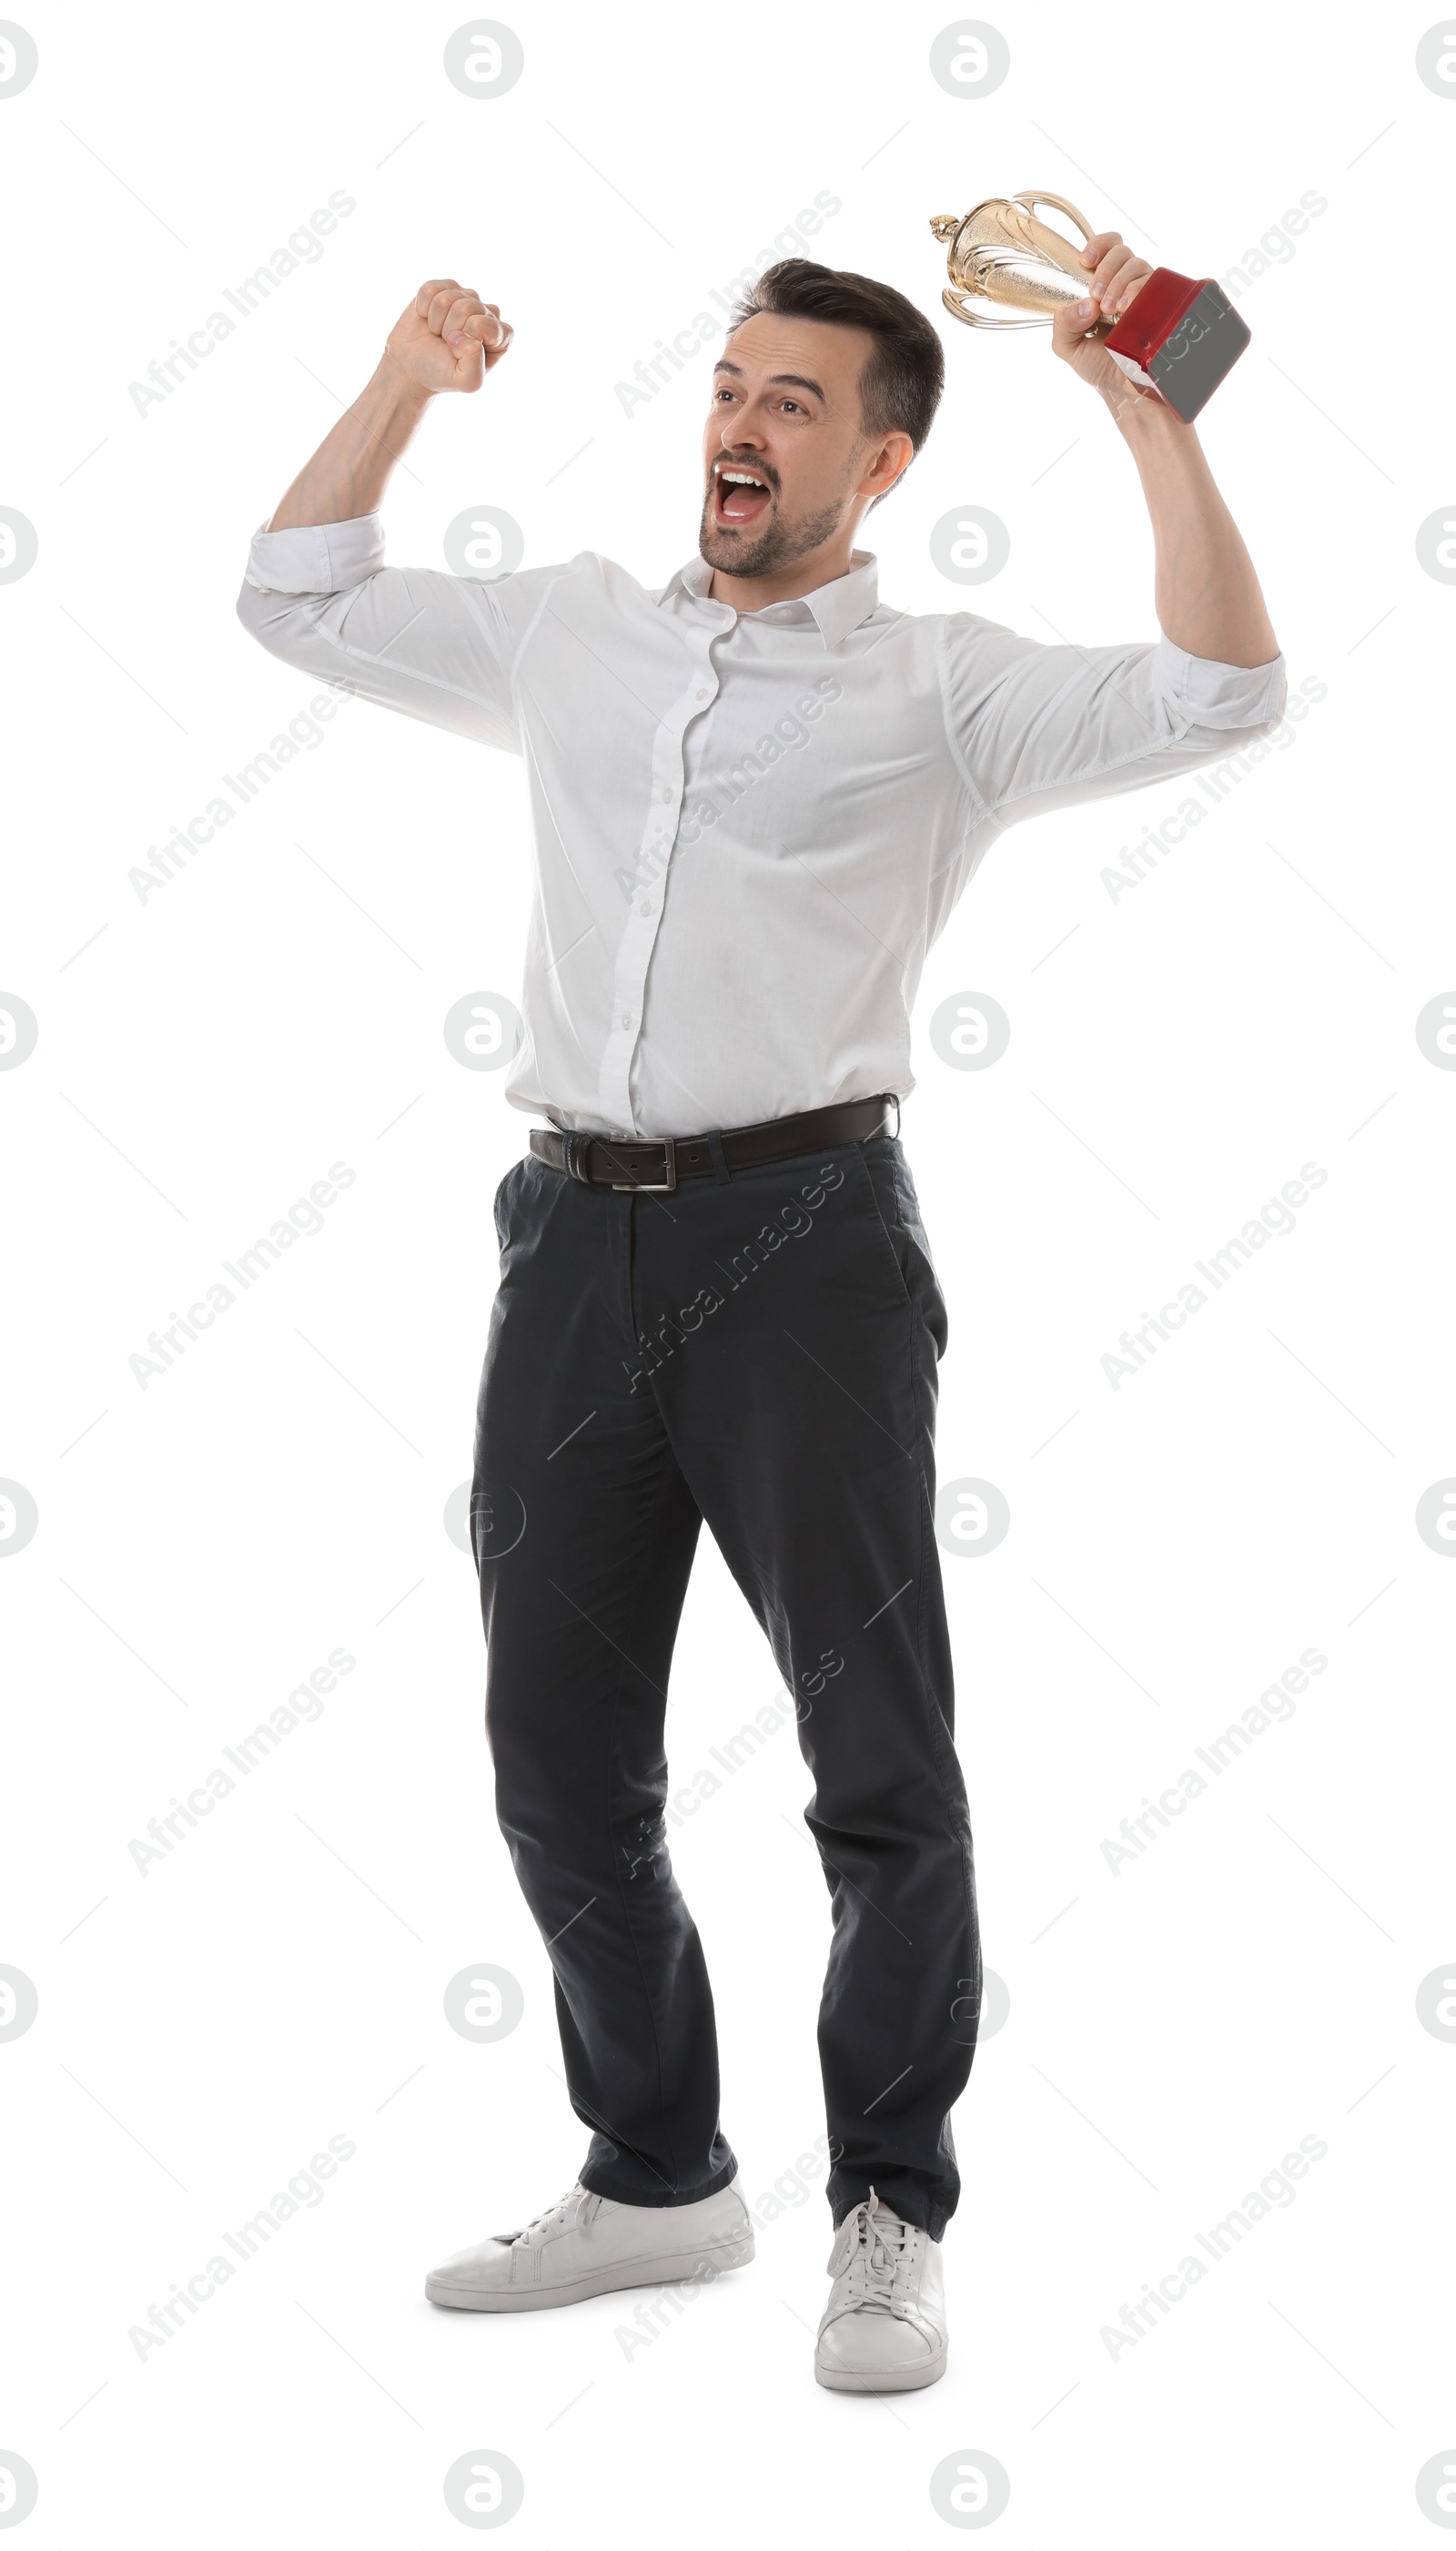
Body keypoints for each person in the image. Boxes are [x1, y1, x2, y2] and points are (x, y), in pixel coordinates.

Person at [238, 244, 1282, 2393]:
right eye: (727, 384)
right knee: (554, 1764)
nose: (739, 422)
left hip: (803, 1246)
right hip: (563, 1246)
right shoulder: (571, 634)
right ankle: (653, 2176)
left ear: (881, 461)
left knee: (874, 1766)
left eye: (794, 401)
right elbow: (297, 591)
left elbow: (1218, 696)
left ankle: (885, 2208)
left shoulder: (940, 688)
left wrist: (1142, 416)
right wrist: (399, 381)